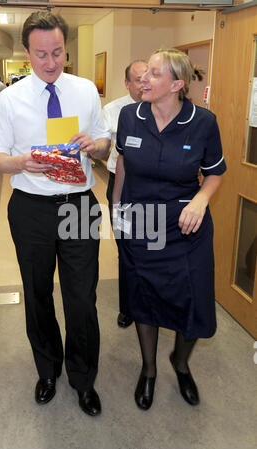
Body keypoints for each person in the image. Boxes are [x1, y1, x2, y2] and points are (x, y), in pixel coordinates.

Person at [0, 11, 110, 417]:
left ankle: (83, 378)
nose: (51, 62)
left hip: (78, 205)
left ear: (65, 48)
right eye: (41, 54)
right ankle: (48, 370)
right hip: (32, 209)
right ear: (27, 52)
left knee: (81, 298)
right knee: (37, 294)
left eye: (58, 52)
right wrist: (21, 161)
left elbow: (105, 144)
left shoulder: (85, 90)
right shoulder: (9, 99)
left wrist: (95, 146)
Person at [113, 48, 226, 410]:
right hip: (140, 224)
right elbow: (123, 164)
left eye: (154, 74)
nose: (143, 78)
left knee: (193, 299)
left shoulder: (203, 122)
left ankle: (180, 362)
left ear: (177, 84)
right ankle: (148, 371)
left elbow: (216, 172)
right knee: (143, 297)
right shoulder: (130, 116)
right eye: (144, 73)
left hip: (185, 227)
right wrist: (116, 209)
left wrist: (201, 199)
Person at [102, 60, 147, 329]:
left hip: (151, 186)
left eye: (148, 77)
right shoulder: (114, 110)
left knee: (151, 245)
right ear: (127, 83)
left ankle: (149, 300)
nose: (144, 84)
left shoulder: (162, 106)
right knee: (126, 245)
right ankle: (128, 306)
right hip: (121, 185)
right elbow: (104, 145)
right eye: (138, 79)